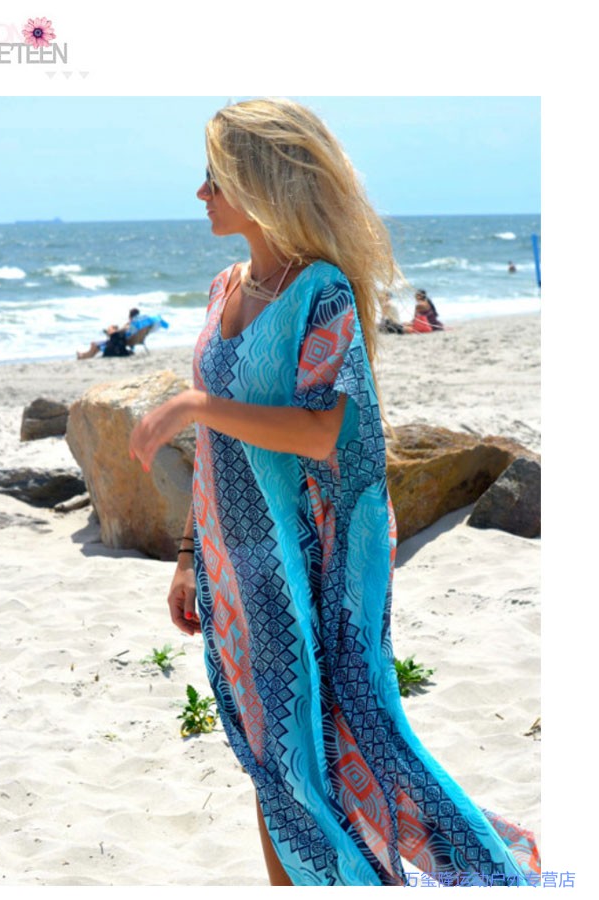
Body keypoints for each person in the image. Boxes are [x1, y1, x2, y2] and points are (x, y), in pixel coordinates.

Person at [128, 98, 539, 886]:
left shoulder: (323, 293)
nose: (201, 193)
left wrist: (194, 405)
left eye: (216, 177)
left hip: (308, 566)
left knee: (335, 745)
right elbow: (217, 450)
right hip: (234, 565)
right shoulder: (222, 288)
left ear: (261, 181)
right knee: (269, 757)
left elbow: (322, 433)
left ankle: (489, 876)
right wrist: (186, 557)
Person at [76, 307, 141, 359]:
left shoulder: (130, 325)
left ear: (130, 316)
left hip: (116, 343)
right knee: (95, 346)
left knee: (94, 344)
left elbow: (121, 331)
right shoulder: (136, 325)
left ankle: (83, 356)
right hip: (120, 341)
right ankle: (84, 355)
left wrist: (112, 331)